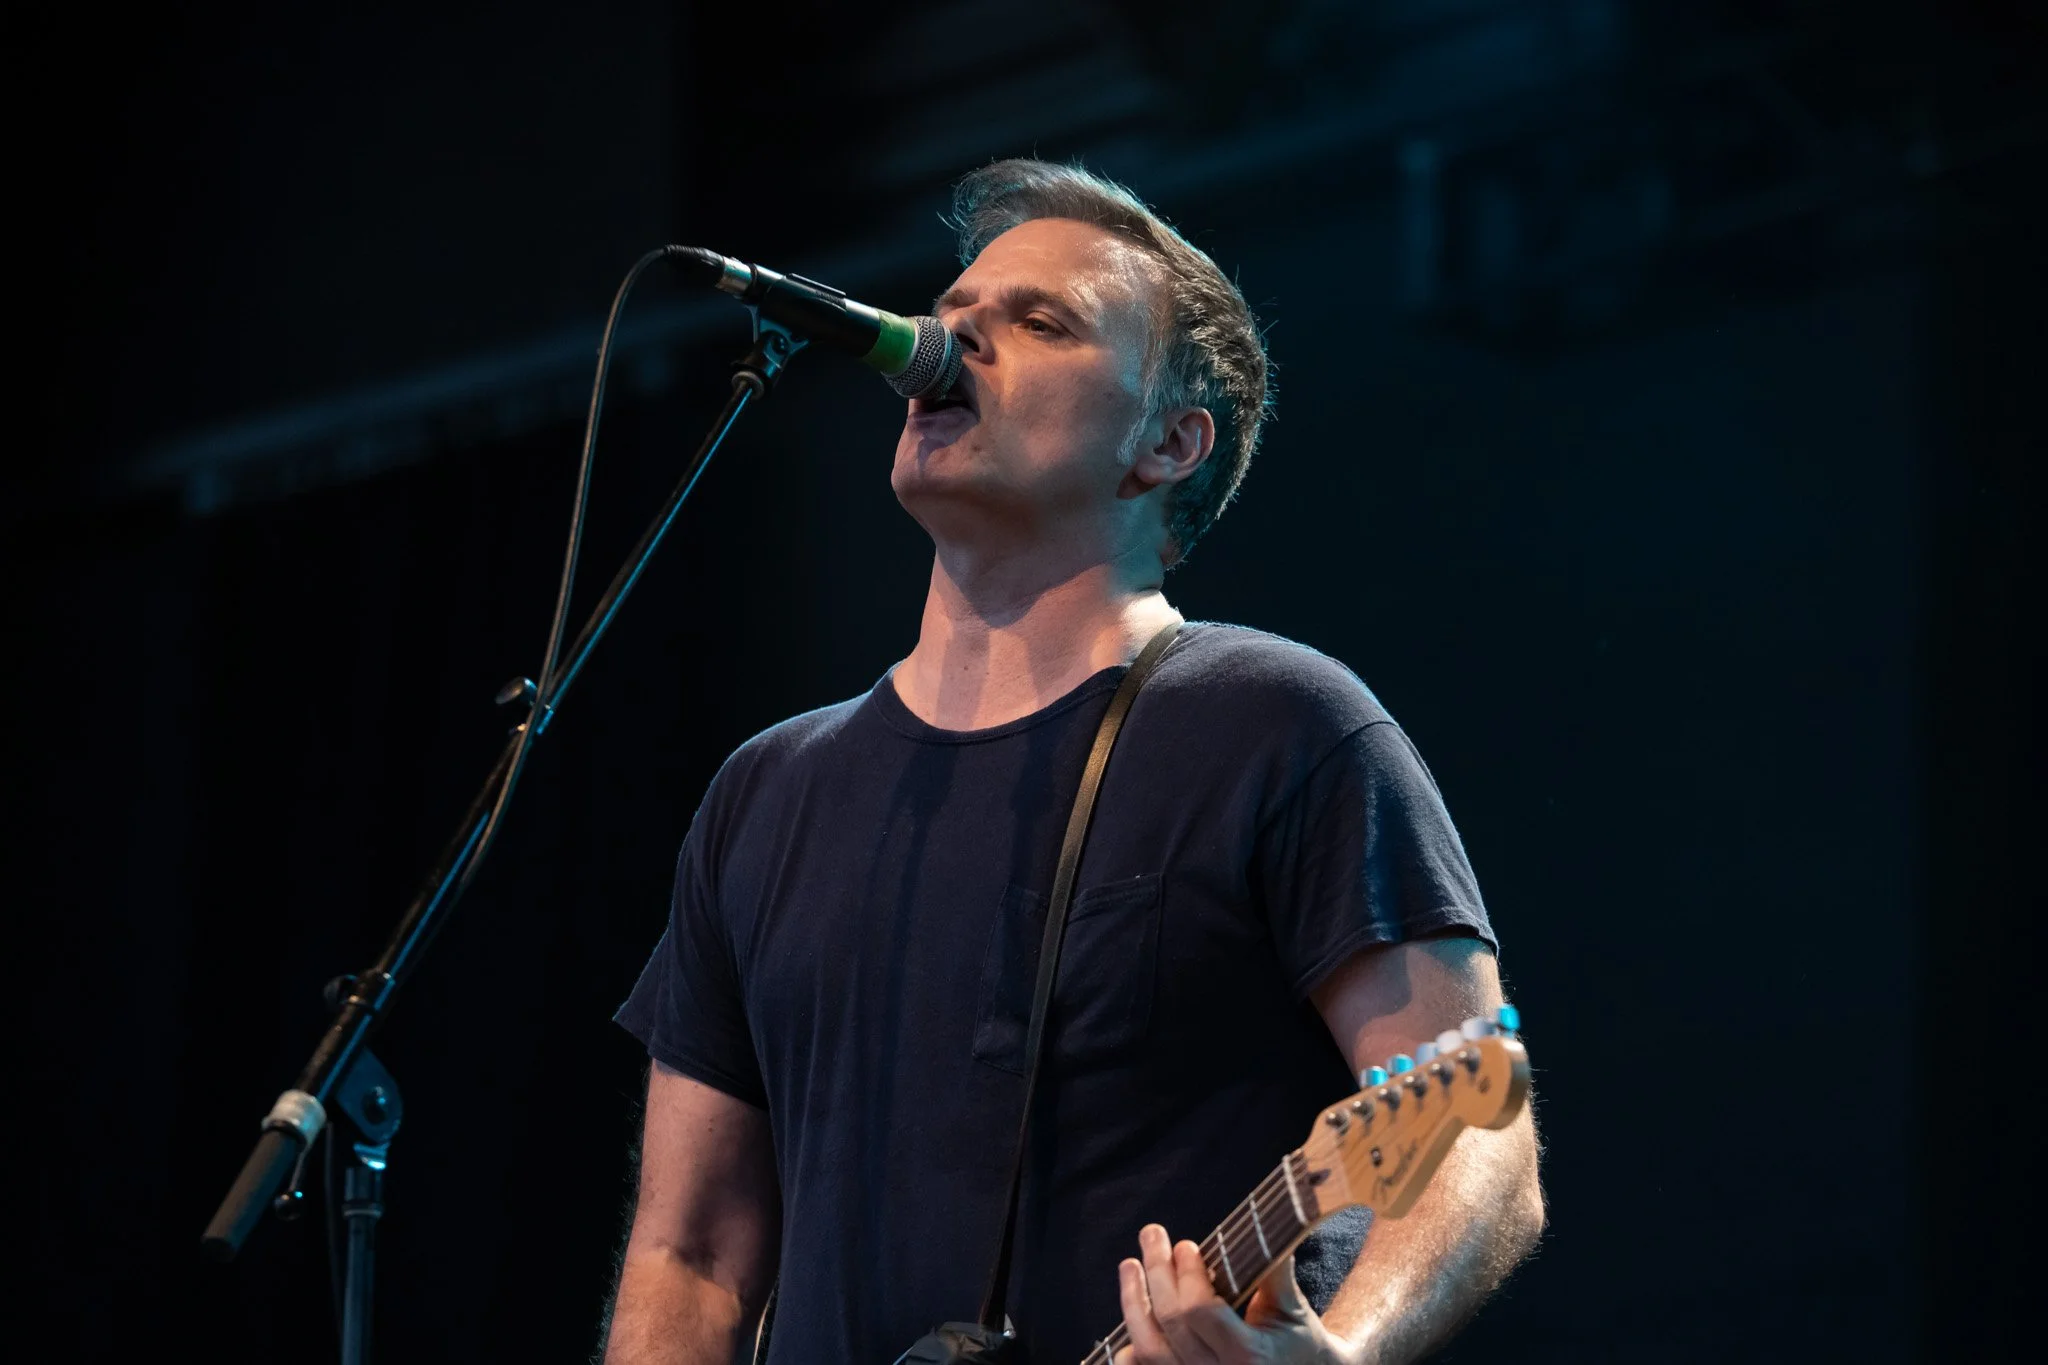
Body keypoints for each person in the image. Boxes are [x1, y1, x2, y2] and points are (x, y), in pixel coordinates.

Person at [603, 159, 1544, 1365]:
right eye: (952, 312)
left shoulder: (1277, 725)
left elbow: (1471, 1126)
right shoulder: (766, 793)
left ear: (1166, 444)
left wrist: (1341, 1356)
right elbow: (689, 1256)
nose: (953, 339)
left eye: (1040, 321)